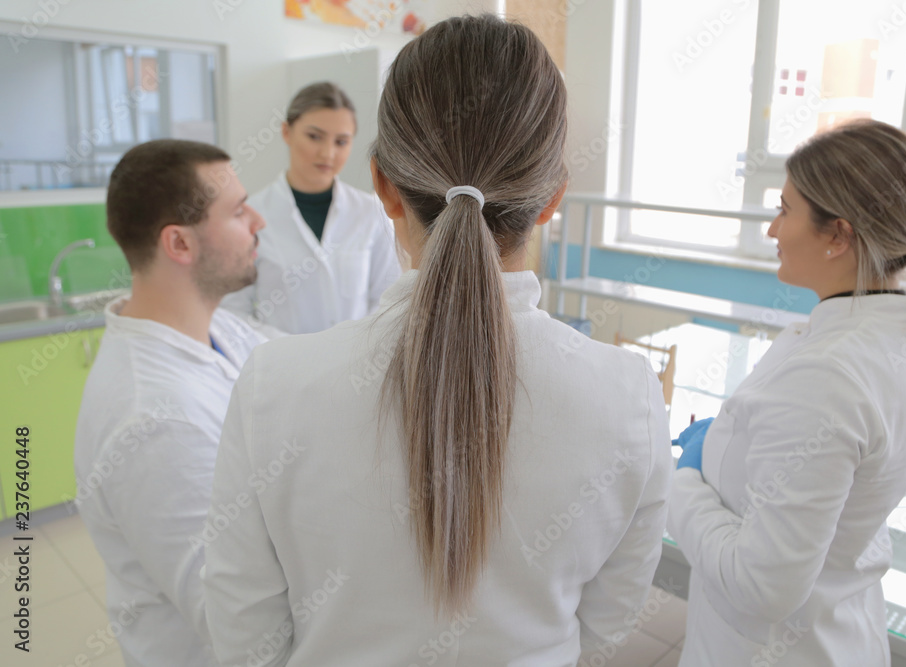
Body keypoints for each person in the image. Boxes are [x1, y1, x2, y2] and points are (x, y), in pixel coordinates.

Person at [202, 15, 671, 667]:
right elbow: (608, 622)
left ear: (385, 187)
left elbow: (244, 637)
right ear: (551, 199)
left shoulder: (272, 387)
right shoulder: (629, 398)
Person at [666, 120, 906, 666]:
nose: (772, 231)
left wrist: (685, 478)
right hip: (840, 633)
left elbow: (762, 587)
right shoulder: (894, 339)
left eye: (784, 210)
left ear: (839, 235)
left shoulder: (829, 375)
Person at [74, 139, 270, 667]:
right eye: (237, 210)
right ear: (179, 244)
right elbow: (232, 621)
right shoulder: (153, 421)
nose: (259, 221)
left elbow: (310, 373)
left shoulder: (222, 328)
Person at [221, 81, 401, 334]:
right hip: (280, 366)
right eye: (314, 137)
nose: (327, 153)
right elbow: (234, 310)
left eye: (341, 141)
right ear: (286, 132)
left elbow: (387, 299)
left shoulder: (371, 212)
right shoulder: (253, 214)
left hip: (353, 364)